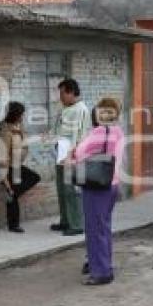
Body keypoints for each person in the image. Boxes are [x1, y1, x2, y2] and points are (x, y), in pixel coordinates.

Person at [71, 98, 125, 286]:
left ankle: (101, 272)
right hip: (112, 184)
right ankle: (103, 264)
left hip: (96, 185)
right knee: (104, 228)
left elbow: (79, 153)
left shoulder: (98, 132)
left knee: (95, 229)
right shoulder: (118, 131)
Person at [52, 79, 92, 236]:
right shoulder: (65, 109)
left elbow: (80, 135)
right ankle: (65, 220)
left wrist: (74, 156)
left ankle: (76, 224)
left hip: (71, 156)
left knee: (71, 191)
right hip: (61, 153)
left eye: (62, 93)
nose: (60, 97)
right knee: (61, 189)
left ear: (70, 92)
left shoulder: (80, 110)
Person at [0, 102, 40, 233]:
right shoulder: (5, 131)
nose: (22, 117)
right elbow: (2, 154)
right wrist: (5, 179)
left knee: (32, 179)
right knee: (12, 193)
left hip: (16, 166)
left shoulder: (16, 127)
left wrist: (20, 132)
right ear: (14, 115)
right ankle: (13, 225)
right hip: (6, 166)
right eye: (21, 114)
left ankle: (12, 194)